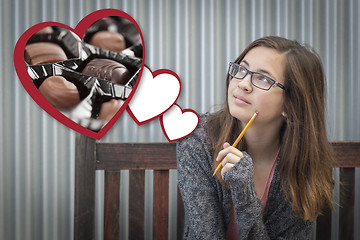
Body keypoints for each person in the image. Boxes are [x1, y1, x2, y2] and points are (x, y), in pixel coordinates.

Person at [177, 36, 334, 239]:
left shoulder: (303, 164)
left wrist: (245, 192)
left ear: (290, 104)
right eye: (242, 69)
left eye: (263, 79)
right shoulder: (197, 138)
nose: (243, 84)